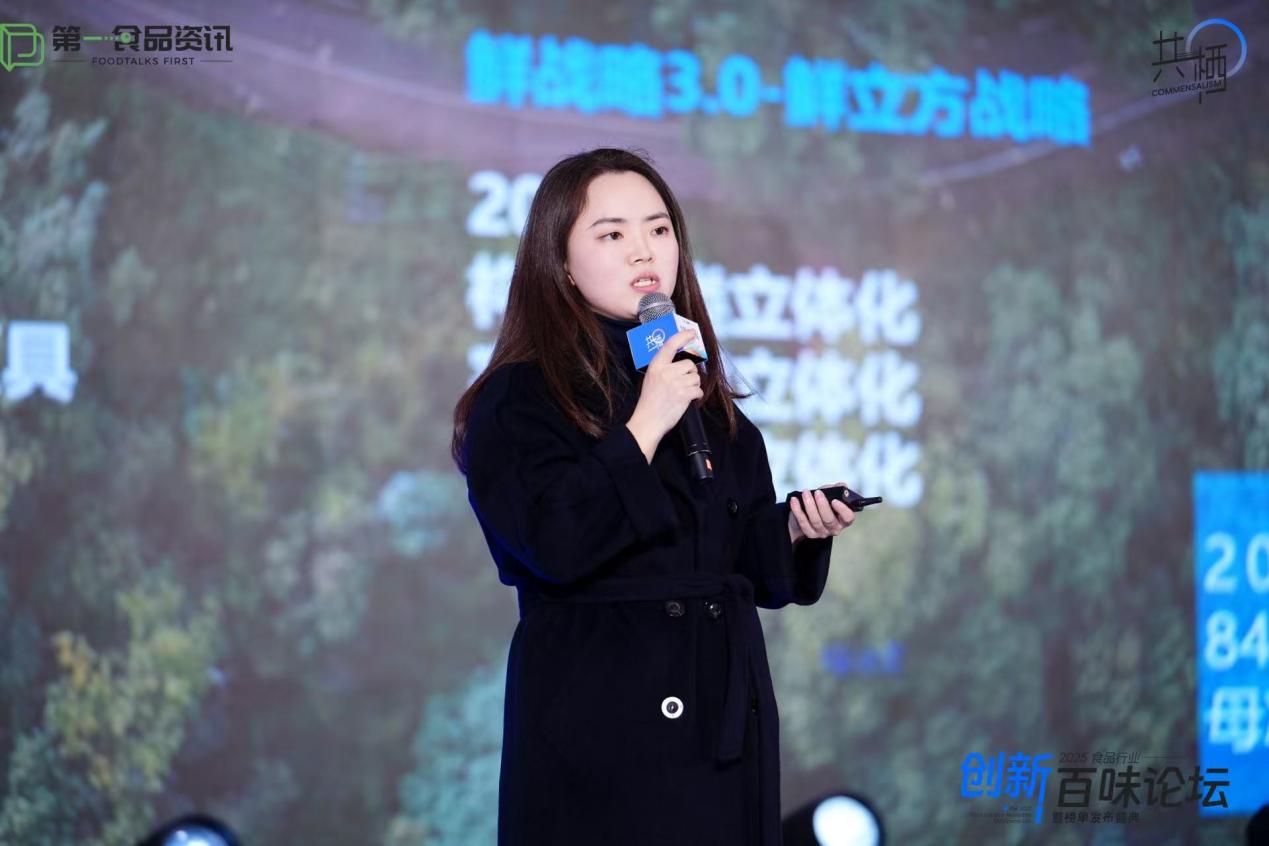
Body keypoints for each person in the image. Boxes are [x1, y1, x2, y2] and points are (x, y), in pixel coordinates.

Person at [451, 147, 854, 845]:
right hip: (599, 732)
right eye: (612, 233)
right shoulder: (518, 399)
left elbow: (733, 559)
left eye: (659, 229)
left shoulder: (708, 403)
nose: (643, 250)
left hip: (718, 728)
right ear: (560, 262)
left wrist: (795, 529)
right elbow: (552, 541)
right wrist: (644, 424)